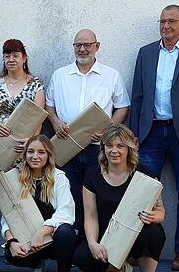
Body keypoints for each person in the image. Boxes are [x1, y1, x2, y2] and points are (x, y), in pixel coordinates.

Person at [128, 5, 179, 271]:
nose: (166, 26)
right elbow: (138, 95)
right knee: (142, 190)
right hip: (150, 132)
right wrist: (134, 134)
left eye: (172, 21)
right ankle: (137, 247)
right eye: (162, 21)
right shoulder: (146, 53)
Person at [72, 124, 166, 272]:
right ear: (103, 148)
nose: (114, 151)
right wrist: (92, 243)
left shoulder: (145, 173)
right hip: (106, 236)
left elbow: (161, 213)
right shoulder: (93, 174)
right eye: (109, 146)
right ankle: (121, 270)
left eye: (120, 146)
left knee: (153, 233)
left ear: (129, 148)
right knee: (81, 257)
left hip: (136, 233)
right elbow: (90, 215)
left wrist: (153, 216)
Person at [45, 29, 130, 233]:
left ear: (97, 46)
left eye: (87, 45)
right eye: (78, 45)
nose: (82, 49)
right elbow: (49, 106)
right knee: (68, 194)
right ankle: (70, 241)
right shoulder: (60, 75)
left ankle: (91, 242)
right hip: (66, 147)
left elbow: (123, 106)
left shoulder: (111, 75)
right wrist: (55, 122)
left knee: (96, 194)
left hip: (97, 147)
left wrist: (108, 130)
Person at [2, 135, 77, 272]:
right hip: (28, 239)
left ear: (49, 155)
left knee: (66, 231)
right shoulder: (15, 178)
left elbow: (67, 212)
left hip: (53, 238)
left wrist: (42, 232)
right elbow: (8, 215)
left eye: (41, 152)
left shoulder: (59, 177)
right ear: (24, 155)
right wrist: (11, 241)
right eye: (30, 151)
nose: (35, 156)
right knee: (11, 254)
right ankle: (37, 265)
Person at [0, 39, 45, 169]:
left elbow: (39, 118)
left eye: (15, 55)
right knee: (1, 184)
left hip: (24, 144)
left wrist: (31, 142)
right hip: (1, 143)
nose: (11, 59)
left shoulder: (35, 84)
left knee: (24, 184)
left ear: (24, 58)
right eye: (7, 56)